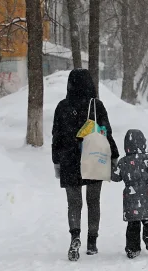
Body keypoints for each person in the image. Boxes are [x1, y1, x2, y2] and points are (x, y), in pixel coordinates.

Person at [52, 69, 119, 261]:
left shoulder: (62, 107)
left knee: (74, 202)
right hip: (93, 157)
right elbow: (107, 132)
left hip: (69, 159)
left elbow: (56, 136)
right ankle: (92, 242)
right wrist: (113, 156)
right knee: (93, 201)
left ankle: (75, 236)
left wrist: (56, 161)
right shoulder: (96, 105)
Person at [111, 129, 148, 259]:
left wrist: (106, 166)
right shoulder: (147, 159)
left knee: (133, 224)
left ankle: (132, 248)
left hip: (130, 198)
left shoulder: (123, 162)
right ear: (143, 144)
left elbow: (115, 176)